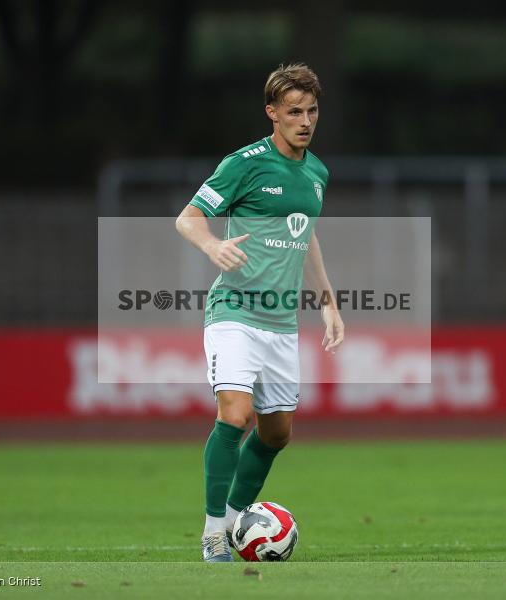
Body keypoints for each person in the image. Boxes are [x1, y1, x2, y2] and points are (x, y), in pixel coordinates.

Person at [175, 63, 344, 562]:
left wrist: (329, 303)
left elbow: (305, 234)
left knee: (277, 433)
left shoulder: (317, 173)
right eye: (294, 111)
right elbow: (188, 219)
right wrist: (212, 247)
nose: (305, 120)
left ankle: (234, 523)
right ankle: (213, 534)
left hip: (281, 323)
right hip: (234, 310)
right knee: (236, 414)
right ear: (272, 113)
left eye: (312, 110)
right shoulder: (244, 163)